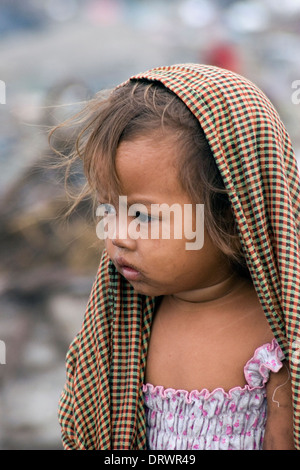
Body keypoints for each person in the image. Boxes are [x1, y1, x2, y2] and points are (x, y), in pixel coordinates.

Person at [51, 64, 300, 450]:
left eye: (143, 216)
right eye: (107, 210)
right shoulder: (125, 330)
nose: (116, 235)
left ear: (235, 220)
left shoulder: (280, 340)